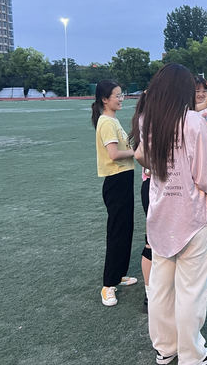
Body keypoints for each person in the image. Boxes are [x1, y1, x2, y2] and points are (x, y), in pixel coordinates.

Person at [134, 63, 207, 365]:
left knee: (160, 287)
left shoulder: (148, 121)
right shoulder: (192, 122)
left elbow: (144, 159)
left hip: (161, 214)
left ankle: (165, 348)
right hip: (192, 217)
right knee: (191, 291)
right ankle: (191, 354)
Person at [91, 80, 137, 307]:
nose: (121, 99)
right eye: (116, 96)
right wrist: (136, 151)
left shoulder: (113, 120)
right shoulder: (106, 122)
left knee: (126, 228)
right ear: (104, 99)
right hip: (116, 181)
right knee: (117, 231)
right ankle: (108, 284)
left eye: (121, 95)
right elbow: (113, 154)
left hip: (124, 178)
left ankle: (119, 274)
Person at [129, 92, 152, 314]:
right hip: (156, 186)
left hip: (152, 185)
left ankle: (150, 293)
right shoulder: (150, 119)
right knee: (153, 243)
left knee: (153, 241)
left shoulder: (141, 117)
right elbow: (140, 154)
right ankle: (149, 294)